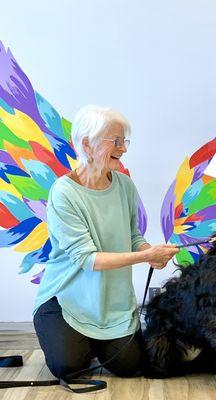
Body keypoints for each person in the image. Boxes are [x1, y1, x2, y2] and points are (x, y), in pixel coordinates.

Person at [33, 105, 178, 379]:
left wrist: (151, 253)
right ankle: (69, 336)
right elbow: (88, 259)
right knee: (68, 367)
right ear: (87, 144)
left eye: (125, 142)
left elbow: (133, 236)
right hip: (67, 299)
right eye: (117, 141)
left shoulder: (125, 185)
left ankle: (92, 341)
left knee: (130, 366)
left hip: (113, 304)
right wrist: (145, 256)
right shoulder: (64, 193)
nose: (123, 149)